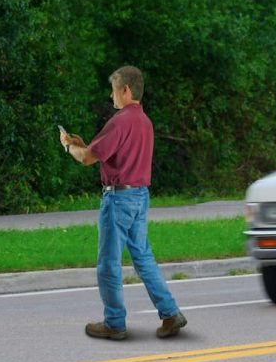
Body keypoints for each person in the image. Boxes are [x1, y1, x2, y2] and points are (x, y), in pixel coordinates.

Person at [59, 65, 187, 340]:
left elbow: (87, 158)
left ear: (126, 90)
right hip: (140, 196)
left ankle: (114, 322)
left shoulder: (120, 120)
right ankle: (170, 313)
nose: (111, 96)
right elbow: (104, 151)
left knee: (108, 263)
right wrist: (84, 144)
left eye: (114, 90)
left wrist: (69, 147)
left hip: (118, 199)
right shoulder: (144, 121)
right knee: (143, 257)